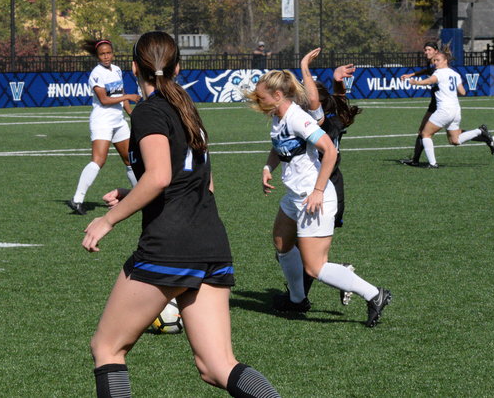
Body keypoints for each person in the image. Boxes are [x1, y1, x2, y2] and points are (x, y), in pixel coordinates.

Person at [82, 31, 281, 398]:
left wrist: (107, 220)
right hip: (211, 241)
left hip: (170, 245)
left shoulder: (149, 111)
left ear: (133, 68)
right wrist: (133, 194)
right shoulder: (186, 106)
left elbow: (159, 177)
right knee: (217, 366)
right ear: (177, 68)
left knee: (107, 348)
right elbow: (202, 184)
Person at [246, 69, 391, 328]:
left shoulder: (297, 118)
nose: (258, 102)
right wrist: (268, 167)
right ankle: (297, 299)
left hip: (314, 198)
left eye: (261, 97)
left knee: (315, 267)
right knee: (281, 243)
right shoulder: (278, 117)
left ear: (278, 95)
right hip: (295, 196)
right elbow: (279, 146)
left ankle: (374, 295)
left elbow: (329, 151)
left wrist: (318, 191)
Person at [68, 39, 140, 215]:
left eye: (108, 53)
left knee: (130, 159)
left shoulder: (116, 70)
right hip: (102, 121)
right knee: (98, 160)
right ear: (97, 56)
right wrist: (128, 97)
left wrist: (131, 113)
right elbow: (104, 100)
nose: (106, 56)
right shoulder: (97, 73)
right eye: (102, 54)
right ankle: (77, 200)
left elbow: (121, 93)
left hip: (118, 121)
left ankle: (140, 198)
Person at [399, 41, 494, 166]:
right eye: (425, 50)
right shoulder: (454, 74)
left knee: (425, 133)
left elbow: (430, 80)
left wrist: (416, 82)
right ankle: (480, 132)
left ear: (442, 58)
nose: (434, 62)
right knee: (454, 140)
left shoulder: (439, 72)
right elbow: (463, 92)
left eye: (429, 50)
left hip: (443, 108)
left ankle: (431, 163)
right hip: (455, 109)